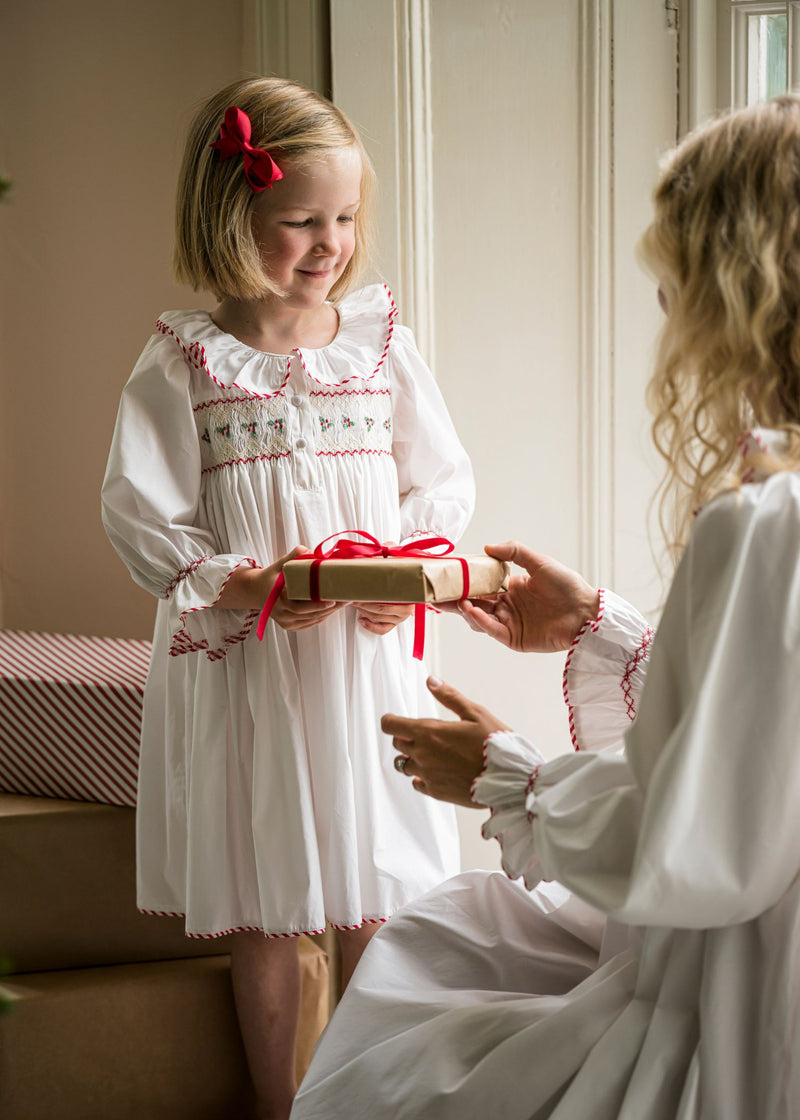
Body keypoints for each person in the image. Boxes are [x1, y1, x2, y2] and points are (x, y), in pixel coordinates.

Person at [290, 96, 800, 1119]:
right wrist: (602, 628)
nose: (660, 310)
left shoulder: (761, 524)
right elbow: (763, 733)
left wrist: (511, 780)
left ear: (737, 291)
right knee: (452, 937)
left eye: (672, 279)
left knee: (403, 1029)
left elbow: (713, 841)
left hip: (749, 991)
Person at [101, 77, 474, 1120]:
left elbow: (440, 479)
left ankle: (364, 1095)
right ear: (233, 217)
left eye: (345, 219)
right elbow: (141, 512)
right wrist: (242, 585)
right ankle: (283, 1101)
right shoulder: (187, 363)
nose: (330, 245)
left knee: (375, 889)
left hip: (362, 655)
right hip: (255, 663)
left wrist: (399, 566)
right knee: (268, 907)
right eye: (300, 222)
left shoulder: (378, 345)